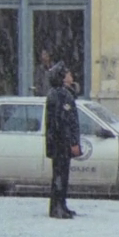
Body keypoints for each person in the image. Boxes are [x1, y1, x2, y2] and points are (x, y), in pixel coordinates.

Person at [45, 61, 82, 219]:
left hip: (58, 142)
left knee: (60, 175)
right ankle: (57, 207)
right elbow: (65, 122)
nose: (71, 77)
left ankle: (61, 205)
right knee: (60, 176)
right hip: (61, 143)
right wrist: (72, 142)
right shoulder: (61, 94)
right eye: (68, 74)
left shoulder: (59, 93)